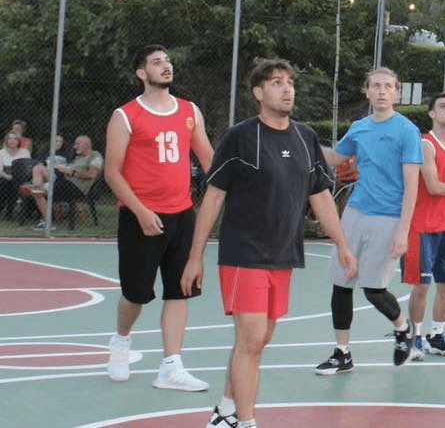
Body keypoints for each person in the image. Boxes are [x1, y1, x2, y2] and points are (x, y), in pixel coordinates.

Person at [182, 58, 356, 428]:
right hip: (243, 253)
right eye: (276, 82)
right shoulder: (240, 137)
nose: (287, 88)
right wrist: (195, 257)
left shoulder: (305, 137)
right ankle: (246, 421)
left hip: (284, 255)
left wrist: (342, 244)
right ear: (258, 93)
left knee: (260, 340)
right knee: (251, 338)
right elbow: (213, 197)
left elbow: (321, 196)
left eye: (289, 82)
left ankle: (226, 410)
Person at [103, 44, 216, 392]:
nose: (166, 66)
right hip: (141, 217)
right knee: (136, 294)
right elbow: (112, 172)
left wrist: (233, 189)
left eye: (167, 61)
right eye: (156, 62)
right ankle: (121, 340)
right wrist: (140, 211)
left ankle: (171, 366)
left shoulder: (189, 111)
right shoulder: (125, 116)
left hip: (182, 214)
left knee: (179, 291)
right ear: (141, 73)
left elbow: (209, 160)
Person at [315, 67, 422, 374]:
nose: (382, 91)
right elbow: (337, 157)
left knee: (373, 290)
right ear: (367, 91)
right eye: (376, 86)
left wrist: (403, 231)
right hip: (355, 213)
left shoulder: (407, 131)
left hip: (389, 218)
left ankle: (403, 328)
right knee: (341, 283)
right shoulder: (359, 128)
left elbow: (412, 186)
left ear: (397, 92)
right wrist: (304, 144)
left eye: (388, 86)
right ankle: (342, 353)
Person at [405, 92, 445, 360]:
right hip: (423, 227)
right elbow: (433, 187)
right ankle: (414, 339)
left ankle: (437, 337)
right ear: (432, 114)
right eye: (442, 106)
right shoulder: (425, 145)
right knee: (422, 287)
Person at [51, 135, 104, 223]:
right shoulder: (78, 158)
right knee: (44, 172)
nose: (75, 147)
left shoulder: (95, 156)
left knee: (41, 189)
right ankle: (47, 217)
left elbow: (92, 175)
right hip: (65, 183)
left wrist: (72, 173)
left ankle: (48, 220)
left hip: (77, 188)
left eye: (77, 144)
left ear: (85, 144)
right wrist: (63, 169)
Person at [0, 129, 32, 221]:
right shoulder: (1, 152)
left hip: (20, 178)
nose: (12, 141)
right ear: (6, 141)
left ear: (18, 141)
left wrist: (18, 177)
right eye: (10, 139)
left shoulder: (25, 152)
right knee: (2, 184)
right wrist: (7, 176)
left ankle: (10, 211)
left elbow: (28, 168)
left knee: (16, 185)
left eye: (15, 139)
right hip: (5, 176)